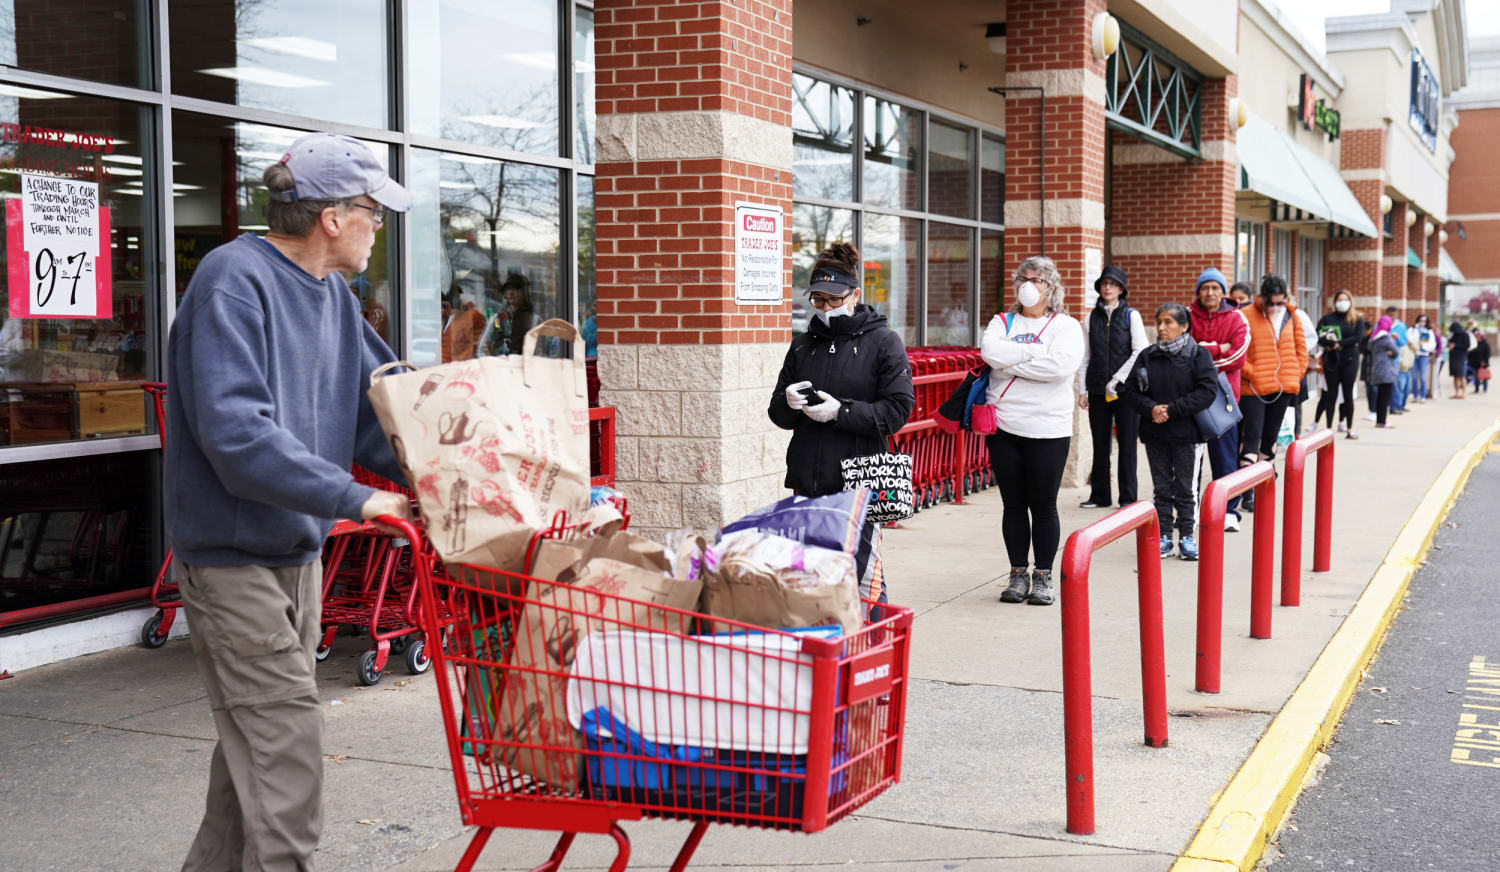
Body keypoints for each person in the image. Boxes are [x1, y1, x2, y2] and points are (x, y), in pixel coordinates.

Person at [164, 132, 414, 872]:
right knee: (286, 750)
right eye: (374, 211)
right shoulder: (232, 279)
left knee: (256, 756)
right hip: (231, 557)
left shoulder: (333, 298)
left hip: (296, 554)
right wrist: (358, 500)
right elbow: (237, 434)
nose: (379, 227)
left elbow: (386, 411)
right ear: (333, 216)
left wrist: (470, 463)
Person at [769, 242, 914, 606]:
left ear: (855, 295)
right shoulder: (803, 345)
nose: (825, 308)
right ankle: (827, 654)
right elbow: (777, 413)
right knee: (812, 580)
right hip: (807, 479)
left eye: (834, 299)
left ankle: (871, 651)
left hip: (860, 482)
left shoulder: (884, 342)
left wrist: (841, 412)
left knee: (861, 581)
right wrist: (789, 403)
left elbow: (898, 411)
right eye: (817, 300)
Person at [980, 256, 1085, 606]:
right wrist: (1034, 356)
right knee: (1013, 504)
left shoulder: (1066, 326)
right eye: (1024, 278)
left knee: (1043, 505)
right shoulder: (1002, 321)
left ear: (1051, 287)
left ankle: (1043, 576)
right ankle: (1016, 573)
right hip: (1005, 425)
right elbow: (991, 352)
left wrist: (1013, 363)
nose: (1029, 284)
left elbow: (1061, 367)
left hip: (1049, 428)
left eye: (1037, 279)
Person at [1118, 303, 1218, 560]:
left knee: (1186, 489)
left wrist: (1171, 410)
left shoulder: (1198, 355)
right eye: (1159, 321)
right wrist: (1151, 409)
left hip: (1187, 435)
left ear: (1184, 326)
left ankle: (1187, 536)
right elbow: (1128, 391)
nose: (1161, 328)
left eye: (1168, 322)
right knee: (1162, 489)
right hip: (1155, 434)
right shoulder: (1147, 355)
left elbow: (1206, 392)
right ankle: (1163, 536)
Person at [1076, 264, 1147, 509]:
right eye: (1105, 283)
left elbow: (1140, 350)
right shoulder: (1090, 318)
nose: (1108, 288)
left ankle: (1128, 498)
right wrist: (1082, 389)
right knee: (1100, 444)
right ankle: (1100, 495)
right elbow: (1085, 356)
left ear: (1121, 289)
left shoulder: (1131, 316)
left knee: (1127, 444)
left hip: (1125, 391)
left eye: (1113, 284)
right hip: (1097, 390)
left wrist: (1117, 379)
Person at [1187, 267, 1250, 531]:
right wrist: (1216, 348)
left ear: (1223, 292)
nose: (1210, 292)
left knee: (1224, 459)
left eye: (1215, 287)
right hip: (1190, 397)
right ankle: (1189, 511)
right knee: (1189, 461)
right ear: (1198, 291)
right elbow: (1183, 351)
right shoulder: (1186, 316)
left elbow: (1238, 357)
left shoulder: (1237, 318)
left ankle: (1227, 512)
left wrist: (1203, 352)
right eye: (1205, 288)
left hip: (1223, 400)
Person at [1238, 274, 1307, 470]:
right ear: (1263, 297)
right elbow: (1238, 350)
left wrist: (1295, 374)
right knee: (1251, 438)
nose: (1276, 307)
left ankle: (1264, 487)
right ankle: (1248, 491)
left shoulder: (1290, 315)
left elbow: (1301, 348)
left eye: (1280, 302)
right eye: (1272, 302)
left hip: (1283, 386)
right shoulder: (1246, 314)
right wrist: (1252, 373)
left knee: (1270, 439)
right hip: (1253, 388)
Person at [1315, 291, 1366, 439]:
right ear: (1335, 302)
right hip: (1332, 359)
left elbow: (1358, 338)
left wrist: (1340, 344)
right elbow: (1318, 335)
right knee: (1331, 394)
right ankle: (1329, 429)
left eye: (1345, 299)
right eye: (1339, 299)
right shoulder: (1327, 318)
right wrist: (1330, 344)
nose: (1342, 302)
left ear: (1350, 301)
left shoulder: (1357, 318)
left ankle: (1349, 428)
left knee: (1348, 394)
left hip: (1350, 360)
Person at [1368, 315, 1399, 427]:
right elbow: (1395, 351)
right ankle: (1382, 421)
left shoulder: (1374, 337)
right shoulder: (1386, 338)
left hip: (1377, 370)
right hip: (1387, 371)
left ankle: (1379, 420)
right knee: (1385, 398)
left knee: (1380, 397)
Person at [1293, 302, 1320, 434]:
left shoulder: (1298, 315)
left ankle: (1296, 436)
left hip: (1293, 367)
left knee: (1295, 404)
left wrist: (1297, 349)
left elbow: (1312, 338)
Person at [1384, 305, 1411, 415]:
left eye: (1394, 315)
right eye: (1390, 315)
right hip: (1382, 357)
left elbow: (1404, 342)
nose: (1392, 317)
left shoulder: (1401, 326)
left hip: (1394, 359)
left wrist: (1397, 338)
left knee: (1395, 384)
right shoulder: (1382, 324)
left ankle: (1394, 406)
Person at [1411, 314, 1436, 402]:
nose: (1422, 323)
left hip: (1424, 355)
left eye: (1424, 321)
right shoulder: (1413, 329)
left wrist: (1424, 345)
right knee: (1414, 377)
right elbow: (1409, 339)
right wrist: (1415, 343)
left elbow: (1432, 345)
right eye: (1421, 320)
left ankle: (1422, 396)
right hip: (1414, 355)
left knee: (1422, 377)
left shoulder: (1429, 332)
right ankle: (1415, 396)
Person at [1449, 320, 1471, 398]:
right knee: (1455, 376)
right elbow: (1450, 343)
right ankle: (1457, 393)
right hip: (1453, 358)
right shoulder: (1454, 335)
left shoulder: (1465, 335)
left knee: (1462, 376)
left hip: (1461, 358)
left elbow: (1467, 346)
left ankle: (1464, 393)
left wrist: (1455, 346)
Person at [1469, 326, 1491, 394]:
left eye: (1478, 336)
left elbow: (1487, 354)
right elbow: (1470, 353)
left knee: (1484, 377)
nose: (1477, 337)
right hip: (1474, 363)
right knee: (1476, 377)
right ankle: (1477, 389)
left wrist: (1485, 362)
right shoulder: (1474, 343)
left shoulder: (1485, 344)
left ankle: (1485, 389)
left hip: (1483, 363)